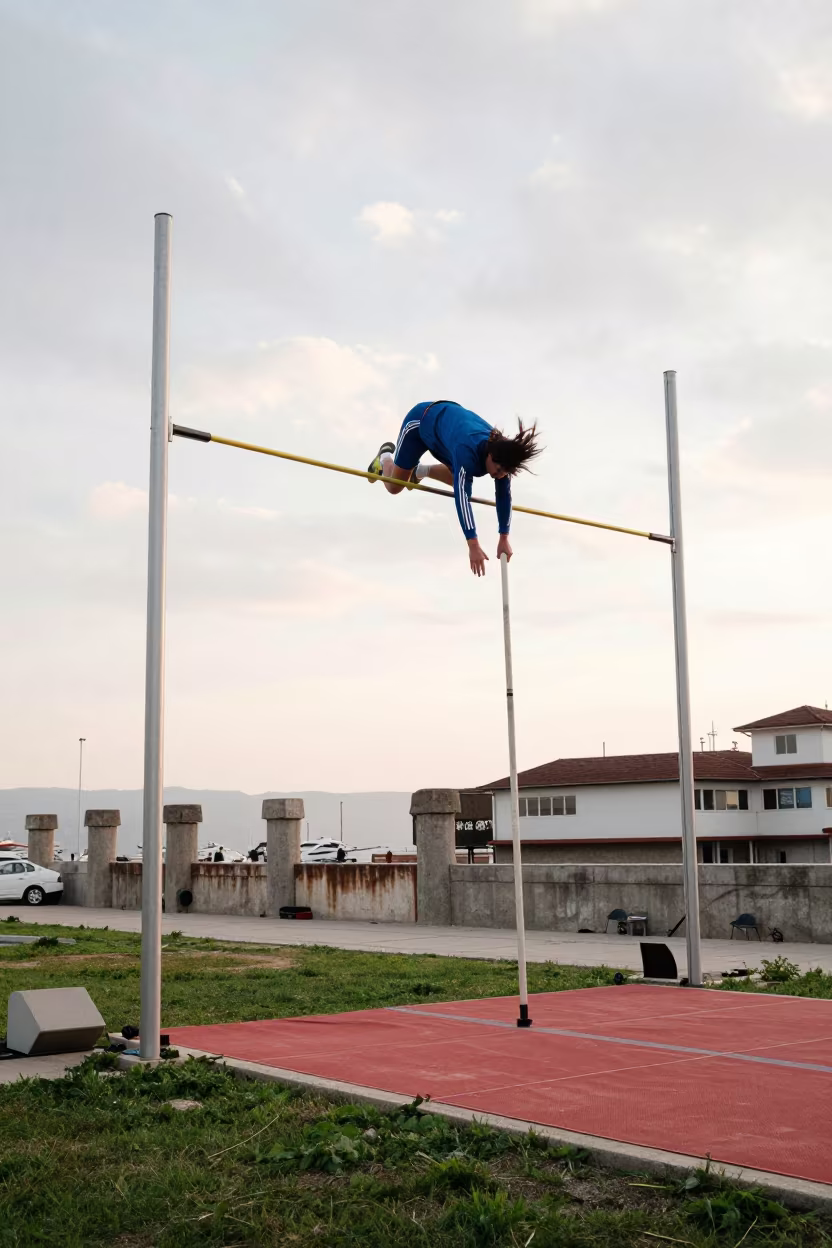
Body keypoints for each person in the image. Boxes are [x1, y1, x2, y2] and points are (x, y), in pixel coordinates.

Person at [368, 400, 541, 575]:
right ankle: (384, 457)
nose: (499, 475)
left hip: (445, 431)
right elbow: (462, 498)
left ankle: (418, 471)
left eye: (504, 472)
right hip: (421, 422)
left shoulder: (505, 458)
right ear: (491, 454)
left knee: (462, 477)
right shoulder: (467, 450)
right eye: (497, 470)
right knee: (395, 487)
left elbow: (504, 497)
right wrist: (473, 544)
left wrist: (504, 537)